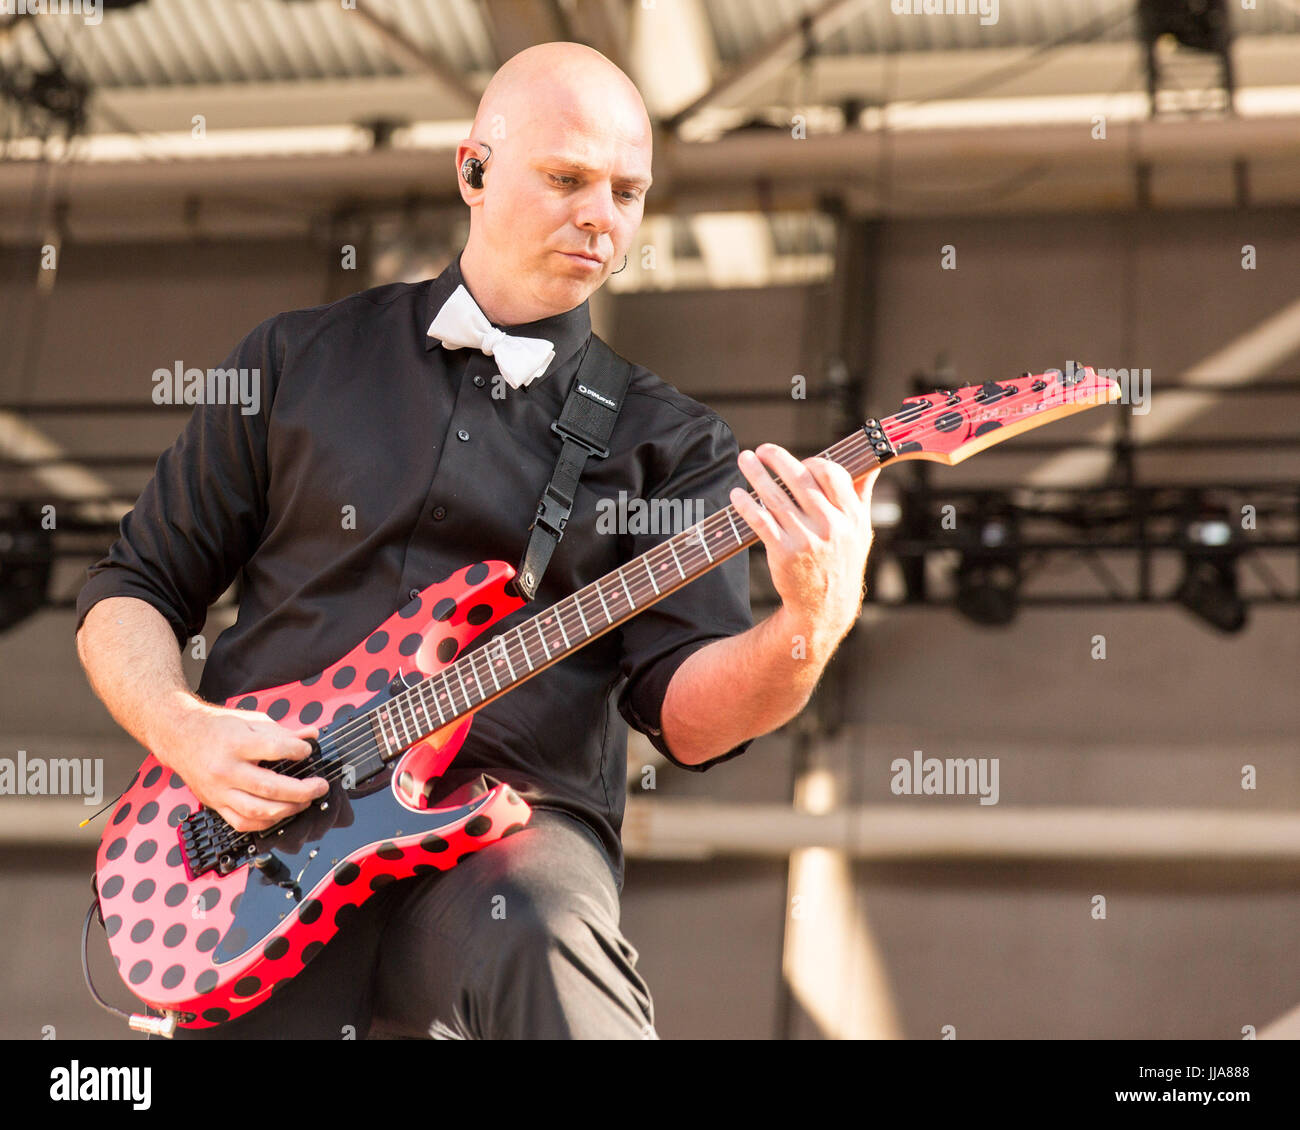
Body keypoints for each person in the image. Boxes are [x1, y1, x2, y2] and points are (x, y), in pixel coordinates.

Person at [75, 42, 879, 1040]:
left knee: (546, 935)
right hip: (256, 839)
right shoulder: (293, 357)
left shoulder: (672, 442)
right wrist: (181, 729)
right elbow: (132, 589)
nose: (602, 215)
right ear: (472, 169)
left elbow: (692, 719)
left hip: (500, 836)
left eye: (628, 191)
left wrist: (812, 619)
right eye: (567, 178)